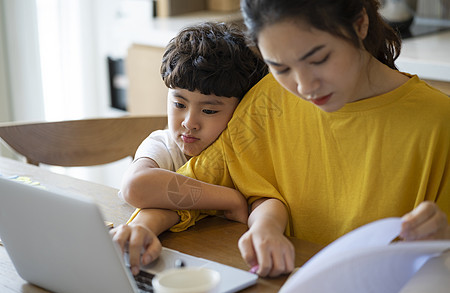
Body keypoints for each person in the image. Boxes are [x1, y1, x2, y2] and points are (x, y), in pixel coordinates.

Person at [121, 0, 450, 278]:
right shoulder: (270, 99)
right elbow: (195, 186)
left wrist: (443, 237)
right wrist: (145, 227)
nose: (304, 86)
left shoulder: (438, 123)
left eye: (318, 59)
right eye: (281, 67)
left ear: (360, 24)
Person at [111, 21, 268, 276]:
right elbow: (135, 186)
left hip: (236, 265)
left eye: (208, 110)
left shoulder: (247, 154)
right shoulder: (164, 145)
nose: (189, 123)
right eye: (179, 103)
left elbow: (267, 201)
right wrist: (230, 198)